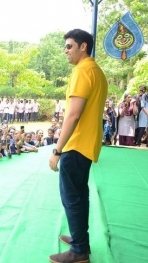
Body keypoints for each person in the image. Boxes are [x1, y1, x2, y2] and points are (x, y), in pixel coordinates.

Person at [49, 29, 108, 263]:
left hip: (75, 145)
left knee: (72, 197)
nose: (65, 50)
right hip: (88, 144)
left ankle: (79, 251)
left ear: (83, 46)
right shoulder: (97, 71)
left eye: (69, 46)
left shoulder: (82, 71)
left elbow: (73, 115)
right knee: (80, 196)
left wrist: (57, 150)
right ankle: (80, 240)